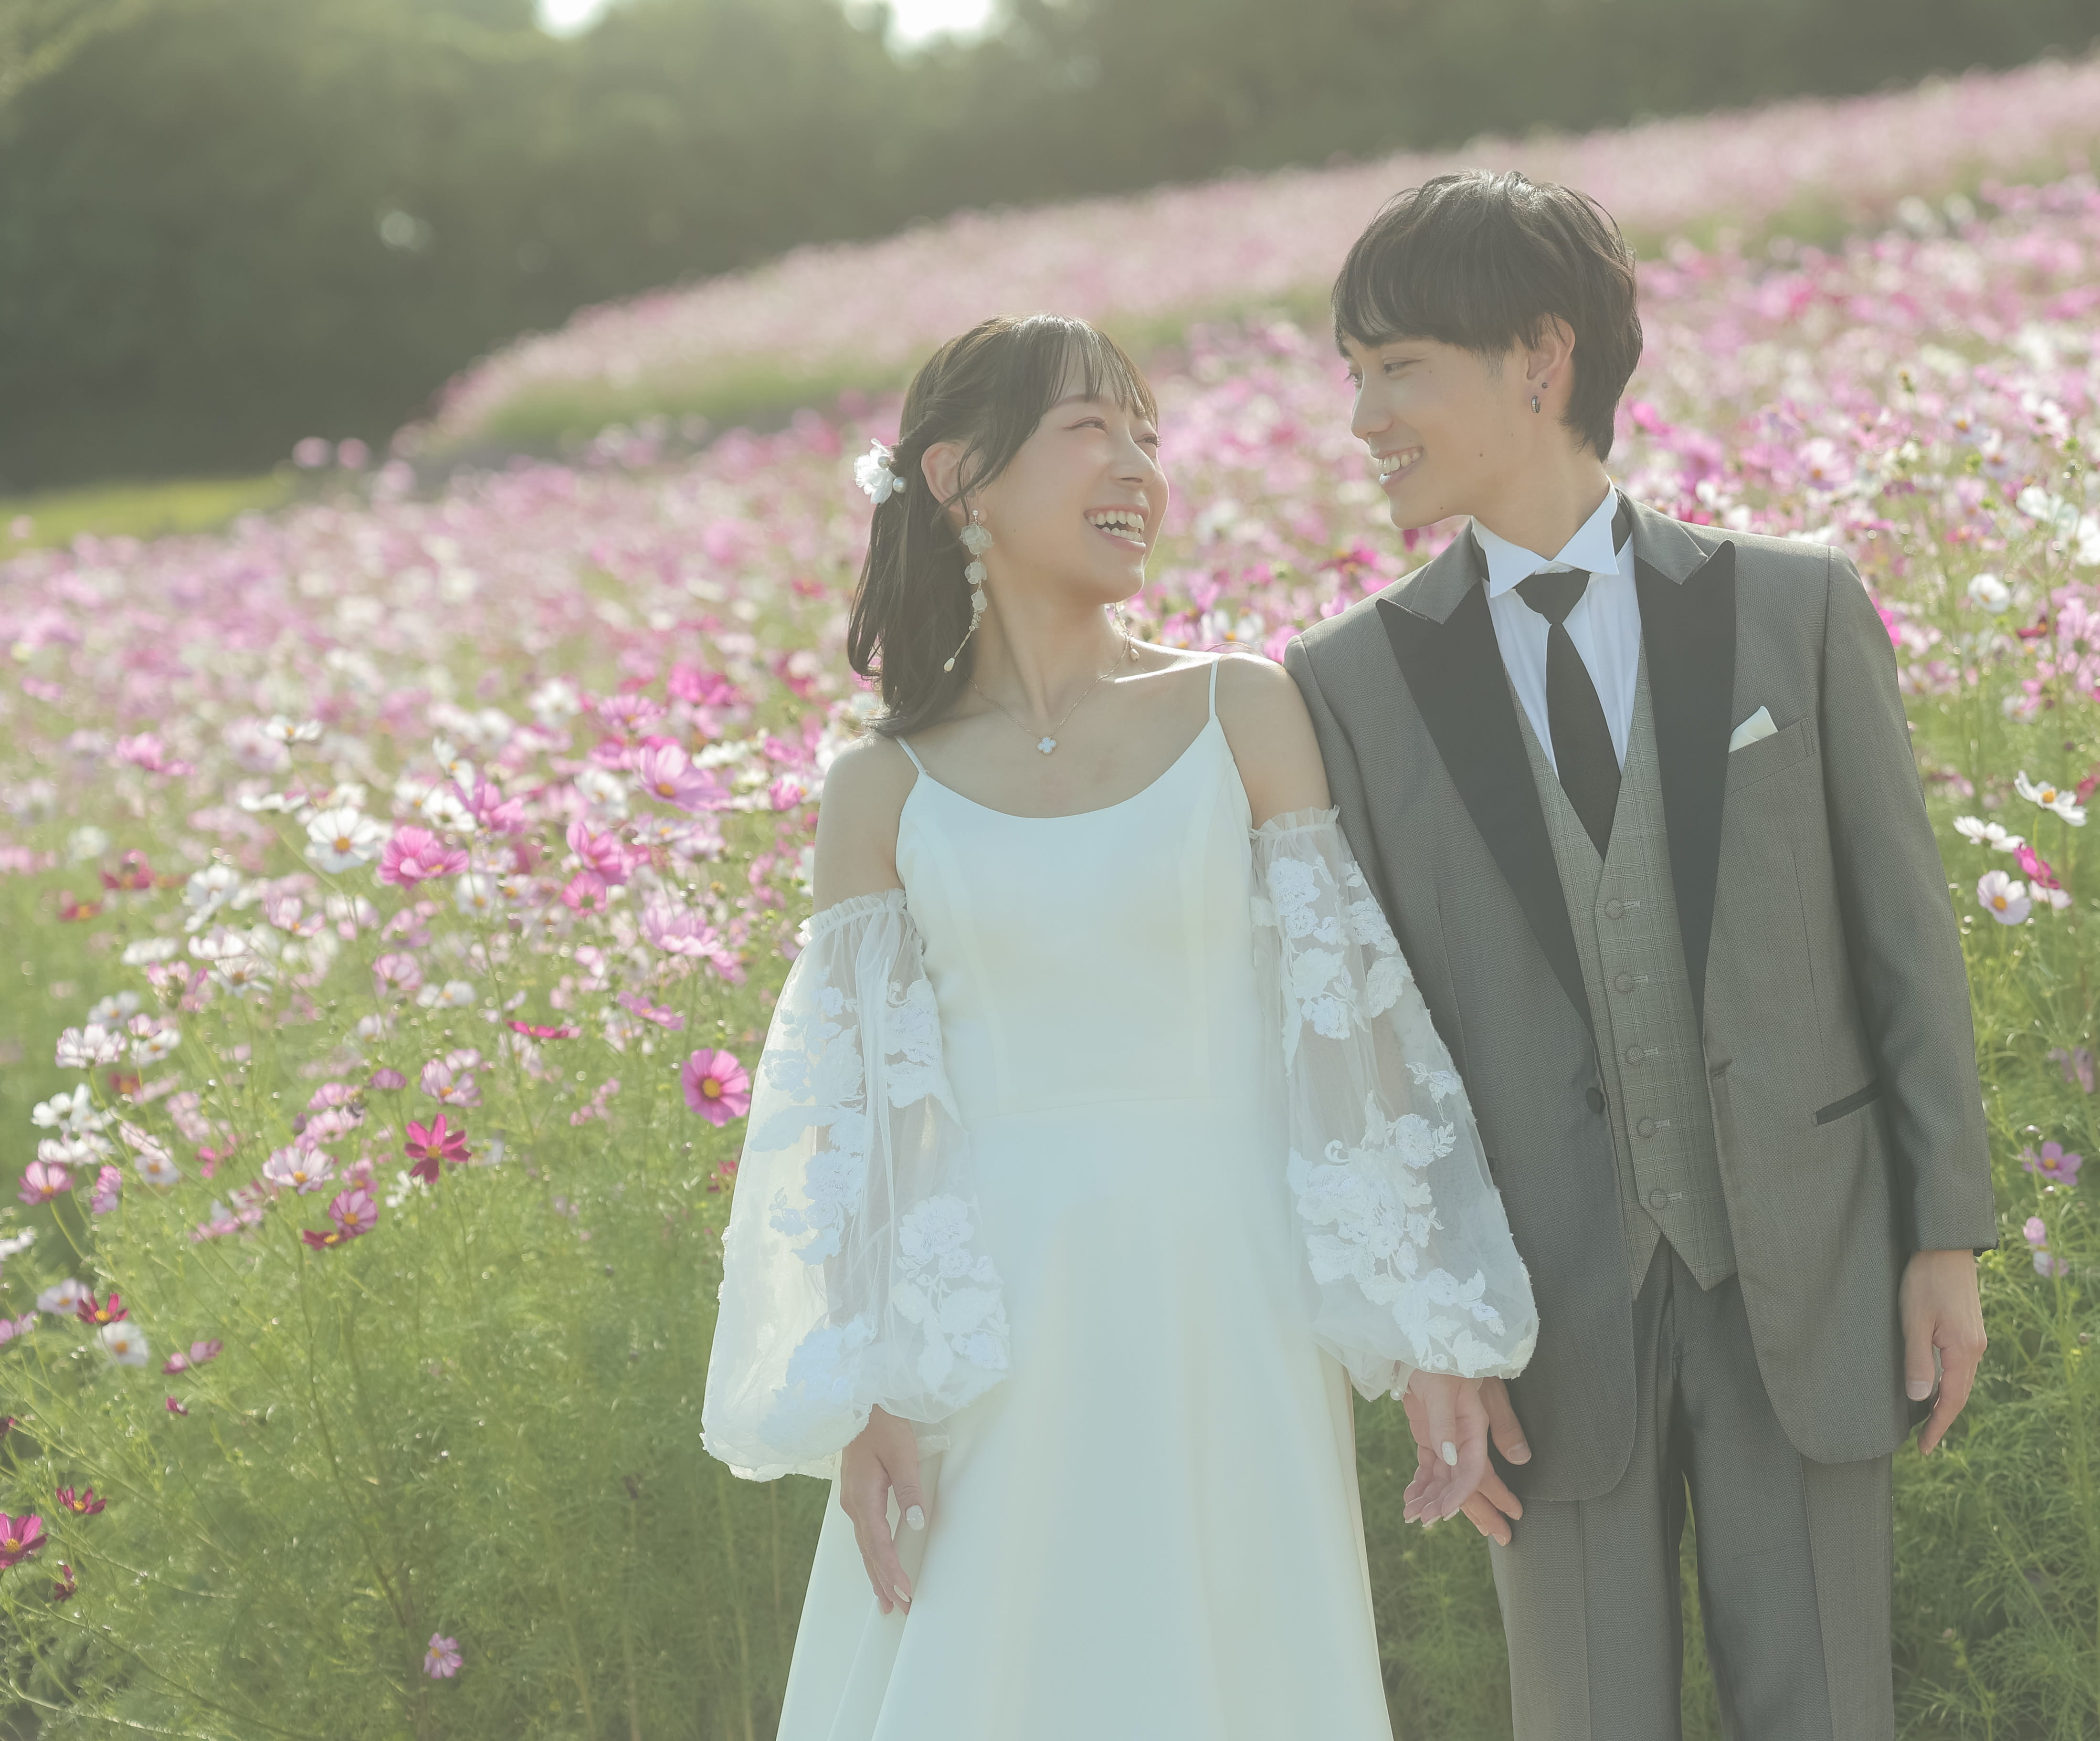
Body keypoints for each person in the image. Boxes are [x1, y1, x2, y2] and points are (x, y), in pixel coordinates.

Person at [699, 312, 1538, 1741]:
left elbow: (1341, 1027)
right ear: (958, 479)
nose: (1139, 467)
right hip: (989, 1331)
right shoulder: (882, 790)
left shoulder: (1240, 709)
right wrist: (873, 1394)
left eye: (1147, 436)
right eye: (1092, 429)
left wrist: (1426, 1329)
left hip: (1230, 1300)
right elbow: (860, 1118)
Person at [1282, 172, 2001, 1741]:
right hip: (1536, 1324)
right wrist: (1428, 1326)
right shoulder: (1346, 686)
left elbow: (1905, 939)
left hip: (1809, 1265)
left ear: (1540, 360)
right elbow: (1367, 1036)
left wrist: (1943, 1237)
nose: (1363, 419)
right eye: (1355, 375)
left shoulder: (1798, 607)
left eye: (1397, 369)